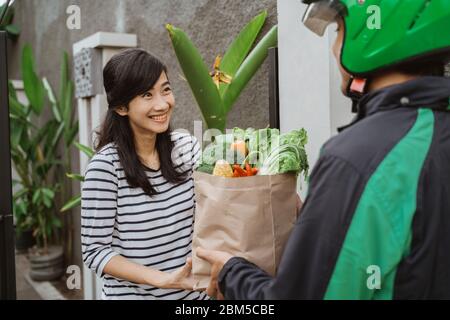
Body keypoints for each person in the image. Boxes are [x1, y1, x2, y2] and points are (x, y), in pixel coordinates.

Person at [197, 0, 450, 299]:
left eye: (338, 31)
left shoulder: (356, 158)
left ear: (373, 33)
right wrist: (326, 213)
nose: (333, 49)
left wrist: (232, 272)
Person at [81, 48, 207, 300]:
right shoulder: (106, 167)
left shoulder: (187, 148)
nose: (162, 104)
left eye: (166, 90)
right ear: (120, 107)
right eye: (146, 94)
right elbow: (94, 251)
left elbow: (208, 217)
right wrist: (164, 280)